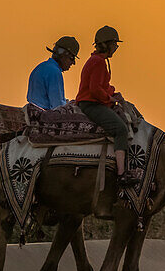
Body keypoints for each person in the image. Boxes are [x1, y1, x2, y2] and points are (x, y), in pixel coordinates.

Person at [75, 25, 138, 185]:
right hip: (91, 104)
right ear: (108, 44)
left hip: (94, 102)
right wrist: (109, 99)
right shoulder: (98, 62)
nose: (116, 48)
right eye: (115, 44)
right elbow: (95, 89)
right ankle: (121, 173)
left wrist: (112, 93)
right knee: (121, 129)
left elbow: (101, 86)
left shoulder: (98, 61)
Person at [27, 36, 80, 110]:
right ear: (63, 55)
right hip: (44, 114)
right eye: (72, 58)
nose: (73, 63)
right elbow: (57, 105)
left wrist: (67, 102)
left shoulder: (40, 67)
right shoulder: (54, 72)